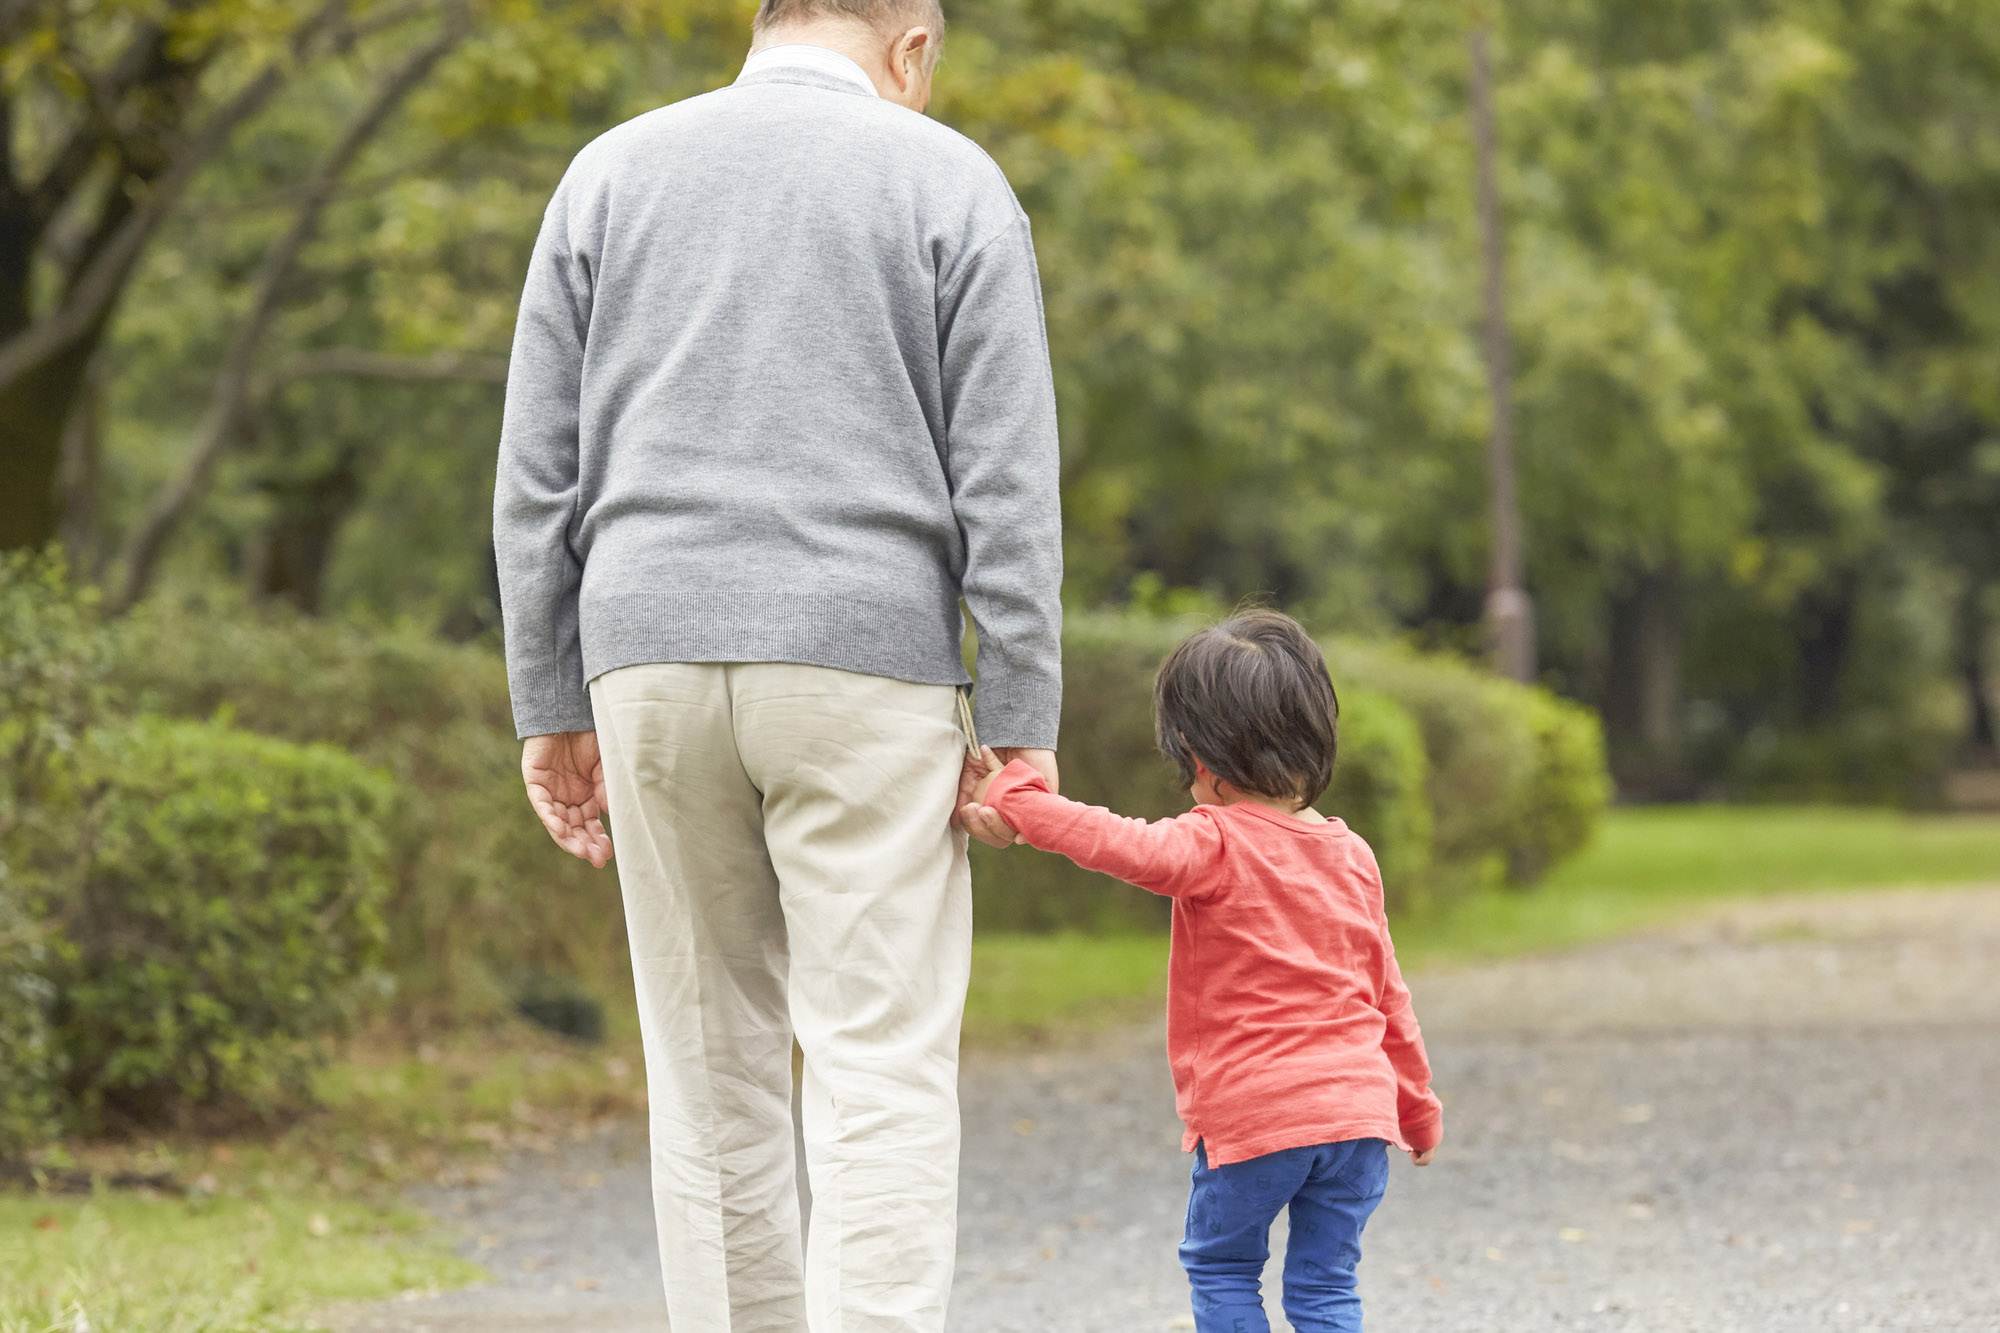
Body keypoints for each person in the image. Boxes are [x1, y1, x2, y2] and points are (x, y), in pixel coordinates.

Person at [489, 0, 1063, 1326]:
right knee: (879, 1061)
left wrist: (550, 699)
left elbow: (535, 485)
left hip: (646, 656)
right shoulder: (951, 182)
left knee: (708, 1070)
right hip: (870, 668)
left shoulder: (609, 176)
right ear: (911, 47)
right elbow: (1010, 491)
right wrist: (1021, 711)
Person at [961, 609, 1442, 1333]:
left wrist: (1016, 794)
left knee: (1223, 1268)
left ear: (1198, 757)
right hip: (1358, 1120)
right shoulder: (1352, 855)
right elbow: (1387, 995)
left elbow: (1109, 840)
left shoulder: (1213, 841)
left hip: (1257, 1117)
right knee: (1325, 1285)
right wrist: (1416, 1106)